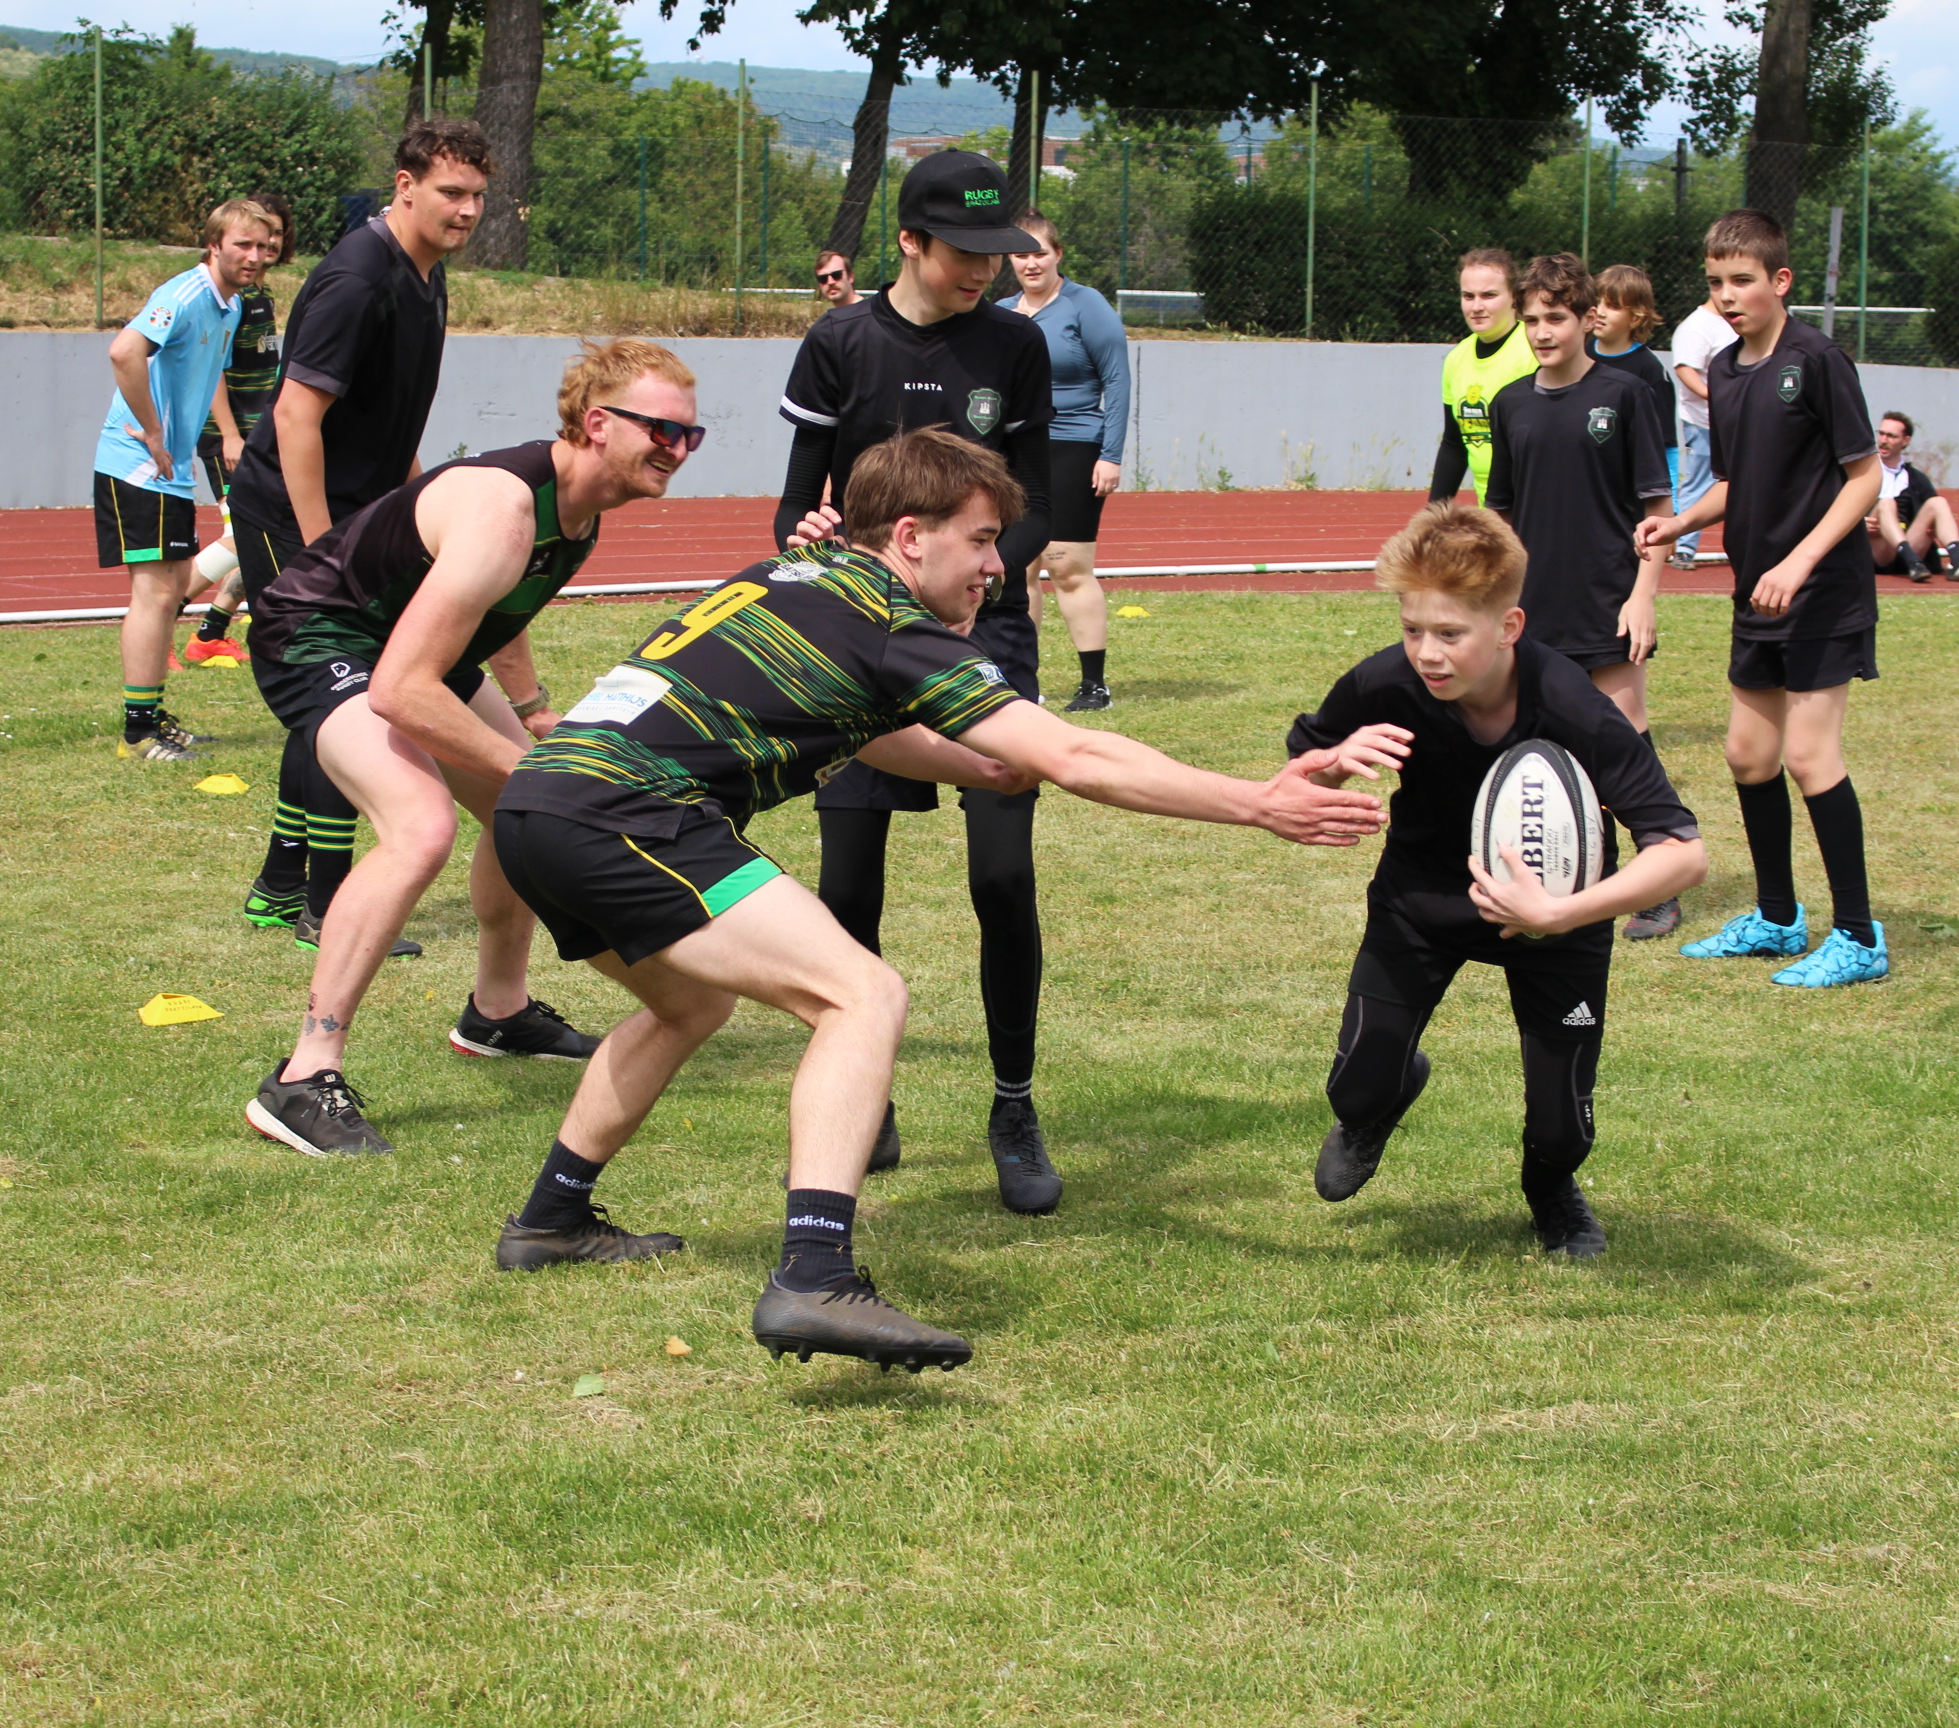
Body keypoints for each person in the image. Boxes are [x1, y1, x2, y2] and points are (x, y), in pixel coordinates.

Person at [486, 426, 1388, 1369]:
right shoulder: (888, 620)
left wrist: (985, 766)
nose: (997, 567)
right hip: (628, 811)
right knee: (860, 994)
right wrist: (1258, 802)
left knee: (689, 1003)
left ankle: (550, 1219)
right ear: (911, 537)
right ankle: (814, 1275)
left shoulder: (795, 578)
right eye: (982, 540)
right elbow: (1079, 754)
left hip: (540, 804)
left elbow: (860, 723)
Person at [241, 341, 699, 1157]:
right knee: (421, 827)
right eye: (662, 430)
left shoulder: (578, 513)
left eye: (690, 435)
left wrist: (531, 712)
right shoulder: (505, 509)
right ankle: (303, 1076)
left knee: (525, 811)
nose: (678, 449)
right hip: (321, 638)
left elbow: (495, 613)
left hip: (411, 648)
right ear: (598, 424)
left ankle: (497, 1011)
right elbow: (398, 691)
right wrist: (533, 764)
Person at [1289, 502, 1706, 1260]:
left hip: (1558, 915)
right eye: (1412, 629)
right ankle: (1382, 1099)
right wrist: (1333, 762)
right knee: (1354, 1091)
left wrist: (1562, 913)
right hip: (1422, 902)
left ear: (1509, 626)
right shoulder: (1384, 682)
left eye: (1451, 634)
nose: (1427, 653)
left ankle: (1552, 1191)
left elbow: (1682, 854)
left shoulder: (1575, 706)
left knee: (1561, 1126)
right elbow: (1300, 770)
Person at [773, 148, 1063, 1213]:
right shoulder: (839, 340)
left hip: (987, 629)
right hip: (858, 638)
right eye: (965, 251)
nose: (987, 269)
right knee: (849, 886)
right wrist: (807, 535)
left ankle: (1014, 1106)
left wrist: (977, 583)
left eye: (999, 251)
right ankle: (867, 1088)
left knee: (1003, 879)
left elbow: (1034, 507)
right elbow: (794, 507)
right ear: (908, 240)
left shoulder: (1016, 345)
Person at [225, 121, 525, 955]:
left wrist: (423, 502)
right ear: (404, 185)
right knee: (340, 697)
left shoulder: (427, 273)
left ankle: (279, 886)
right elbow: (296, 417)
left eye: (477, 197)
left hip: (361, 518)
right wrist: (326, 553)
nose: (467, 211)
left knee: (335, 696)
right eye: (450, 193)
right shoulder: (359, 277)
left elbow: (394, 420)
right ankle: (325, 904)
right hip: (292, 514)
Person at [1635, 209, 1889, 989]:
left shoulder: (1818, 360)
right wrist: (1681, 520)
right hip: (1758, 594)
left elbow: (1865, 477)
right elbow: (1734, 482)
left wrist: (1802, 560)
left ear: (1780, 281)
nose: (1727, 295)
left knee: (1810, 757)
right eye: (1715, 282)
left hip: (1821, 592)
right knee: (1748, 756)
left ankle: (1859, 937)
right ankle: (1778, 918)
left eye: (1741, 280)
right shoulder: (1727, 373)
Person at [1485, 252, 1682, 941]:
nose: (1543, 331)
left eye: (1556, 318)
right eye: (1532, 319)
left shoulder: (1624, 394)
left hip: (1607, 599)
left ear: (1587, 318)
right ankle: (1578, 876)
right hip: (1534, 607)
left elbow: (1656, 508)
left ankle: (1660, 878)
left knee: (1623, 737)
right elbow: (1501, 517)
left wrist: (1643, 597)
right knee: (1543, 745)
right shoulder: (1510, 403)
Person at [92, 198, 275, 762]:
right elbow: (124, 351)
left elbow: (208, 372)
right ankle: (138, 733)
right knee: (153, 595)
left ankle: (150, 716)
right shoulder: (189, 293)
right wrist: (153, 431)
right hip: (138, 465)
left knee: (170, 591)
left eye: (263, 246)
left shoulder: (231, 304)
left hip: (168, 471)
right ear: (214, 245)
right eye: (242, 244)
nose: (255, 256)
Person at [1002, 209, 1131, 711]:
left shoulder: (1086, 305)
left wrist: (1110, 455)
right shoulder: (1001, 312)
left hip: (1075, 446)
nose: (1030, 263)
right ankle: (1022, 682)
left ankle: (1094, 686)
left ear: (1057, 254)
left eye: (1039, 252)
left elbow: (1117, 380)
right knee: (1018, 567)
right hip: (1015, 451)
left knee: (1067, 566)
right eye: (1020, 254)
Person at [184, 191, 296, 668]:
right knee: (243, 535)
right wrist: (231, 434)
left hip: (260, 432)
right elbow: (212, 368)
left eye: (272, 235)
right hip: (230, 435)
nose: (263, 246)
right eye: (249, 239)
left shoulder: (259, 295)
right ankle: (161, 613)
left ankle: (210, 634)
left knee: (271, 533)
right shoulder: (230, 299)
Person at [1428, 248, 1533, 504]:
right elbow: (1454, 445)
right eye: (1468, 296)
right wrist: (1433, 514)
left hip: (1531, 502)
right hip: (1490, 509)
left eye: (1489, 295)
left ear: (1514, 297)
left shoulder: (1535, 351)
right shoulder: (1456, 359)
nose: (1476, 307)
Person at [1865, 411, 1959, 584]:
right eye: (1881, 434)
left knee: (1938, 503)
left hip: (1912, 549)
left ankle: (1958, 562)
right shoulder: (1862, 473)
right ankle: (1912, 561)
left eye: (1891, 436)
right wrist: (1859, 526)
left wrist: (1934, 526)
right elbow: (1837, 509)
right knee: (1886, 503)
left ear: (1906, 441)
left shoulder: (1916, 478)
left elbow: (1935, 517)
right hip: (1877, 550)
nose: (1883, 440)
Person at [1667, 295, 1738, 570]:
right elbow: (1685, 369)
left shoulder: (1739, 323)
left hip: (1740, 422)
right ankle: (1684, 549)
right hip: (1704, 423)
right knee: (1699, 482)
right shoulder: (1696, 326)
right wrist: (1717, 397)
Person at [1587, 263, 1675, 464]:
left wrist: (1668, 484)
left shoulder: (1649, 369)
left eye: (1612, 306)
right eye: (1597, 302)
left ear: (1635, 318)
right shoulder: (1581, 354)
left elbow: (1665, 443)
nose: (1600, 312)